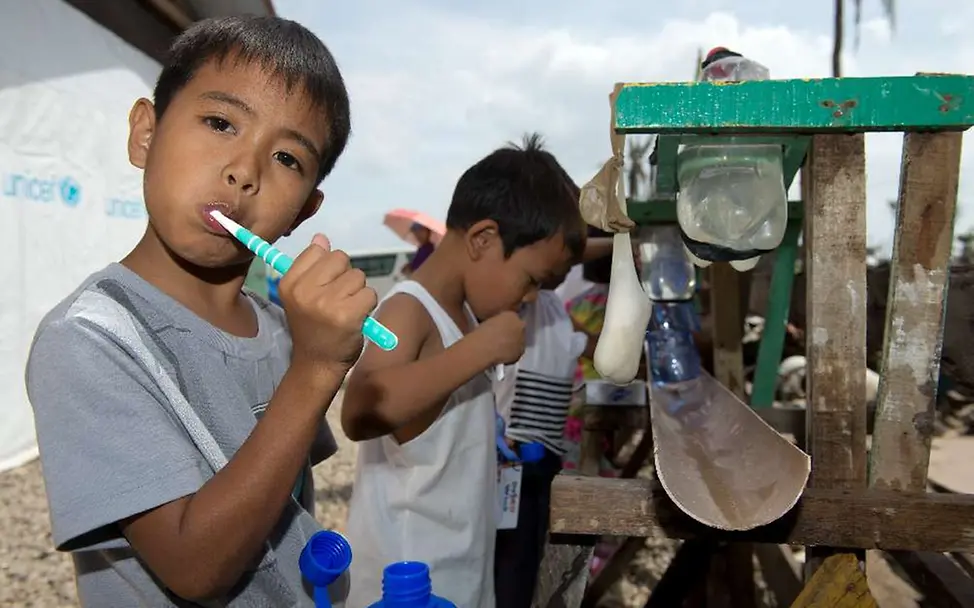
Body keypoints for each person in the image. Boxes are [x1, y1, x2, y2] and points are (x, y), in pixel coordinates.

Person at [24, 16, 366, 607]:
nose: (245, 171)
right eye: (219, 122)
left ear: (304, 212)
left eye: (287, 158)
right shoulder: (88, 338)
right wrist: (316, 371)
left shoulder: (283, 329)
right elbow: (195, 569)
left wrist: (309, 353)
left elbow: (286, 508)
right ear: (145, 134)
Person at [340, 134, 586, 608]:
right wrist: (477, 351)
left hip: (459, 571)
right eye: (532, 281)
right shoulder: (408, 310)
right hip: (408, 582)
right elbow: (360, 409)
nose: (531, 299)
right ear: (484, 239)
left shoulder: (464, 316)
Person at [492, 226, 611, 608]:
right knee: (510, 561)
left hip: (544, 455)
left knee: (529, 552)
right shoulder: (512, 301)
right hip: (509, 457)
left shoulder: (552, 305)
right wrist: (624, 243)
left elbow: (584, 345)